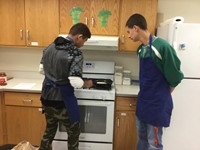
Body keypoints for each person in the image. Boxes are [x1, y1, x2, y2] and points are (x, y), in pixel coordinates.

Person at [125, 14, 184, 150]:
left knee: (154, 143)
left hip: (157, 105)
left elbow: (175, 77)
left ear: (136, 28)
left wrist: (161, 94)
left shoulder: (162, 47)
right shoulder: (141, 50)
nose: (128, 36)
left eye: (129, 32)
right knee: (142, 139)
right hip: (143, 102)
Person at [38, 23, 93, 150]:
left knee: (50, 129)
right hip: (63, 100)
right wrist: (87, 83)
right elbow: (75, 82)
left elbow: (41, 70)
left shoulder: (49, 47)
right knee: (74, 132)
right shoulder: (75, 52)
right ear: (79, 37)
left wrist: (55, 75)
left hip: (46, 97)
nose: (83, 44)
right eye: (84, 40)